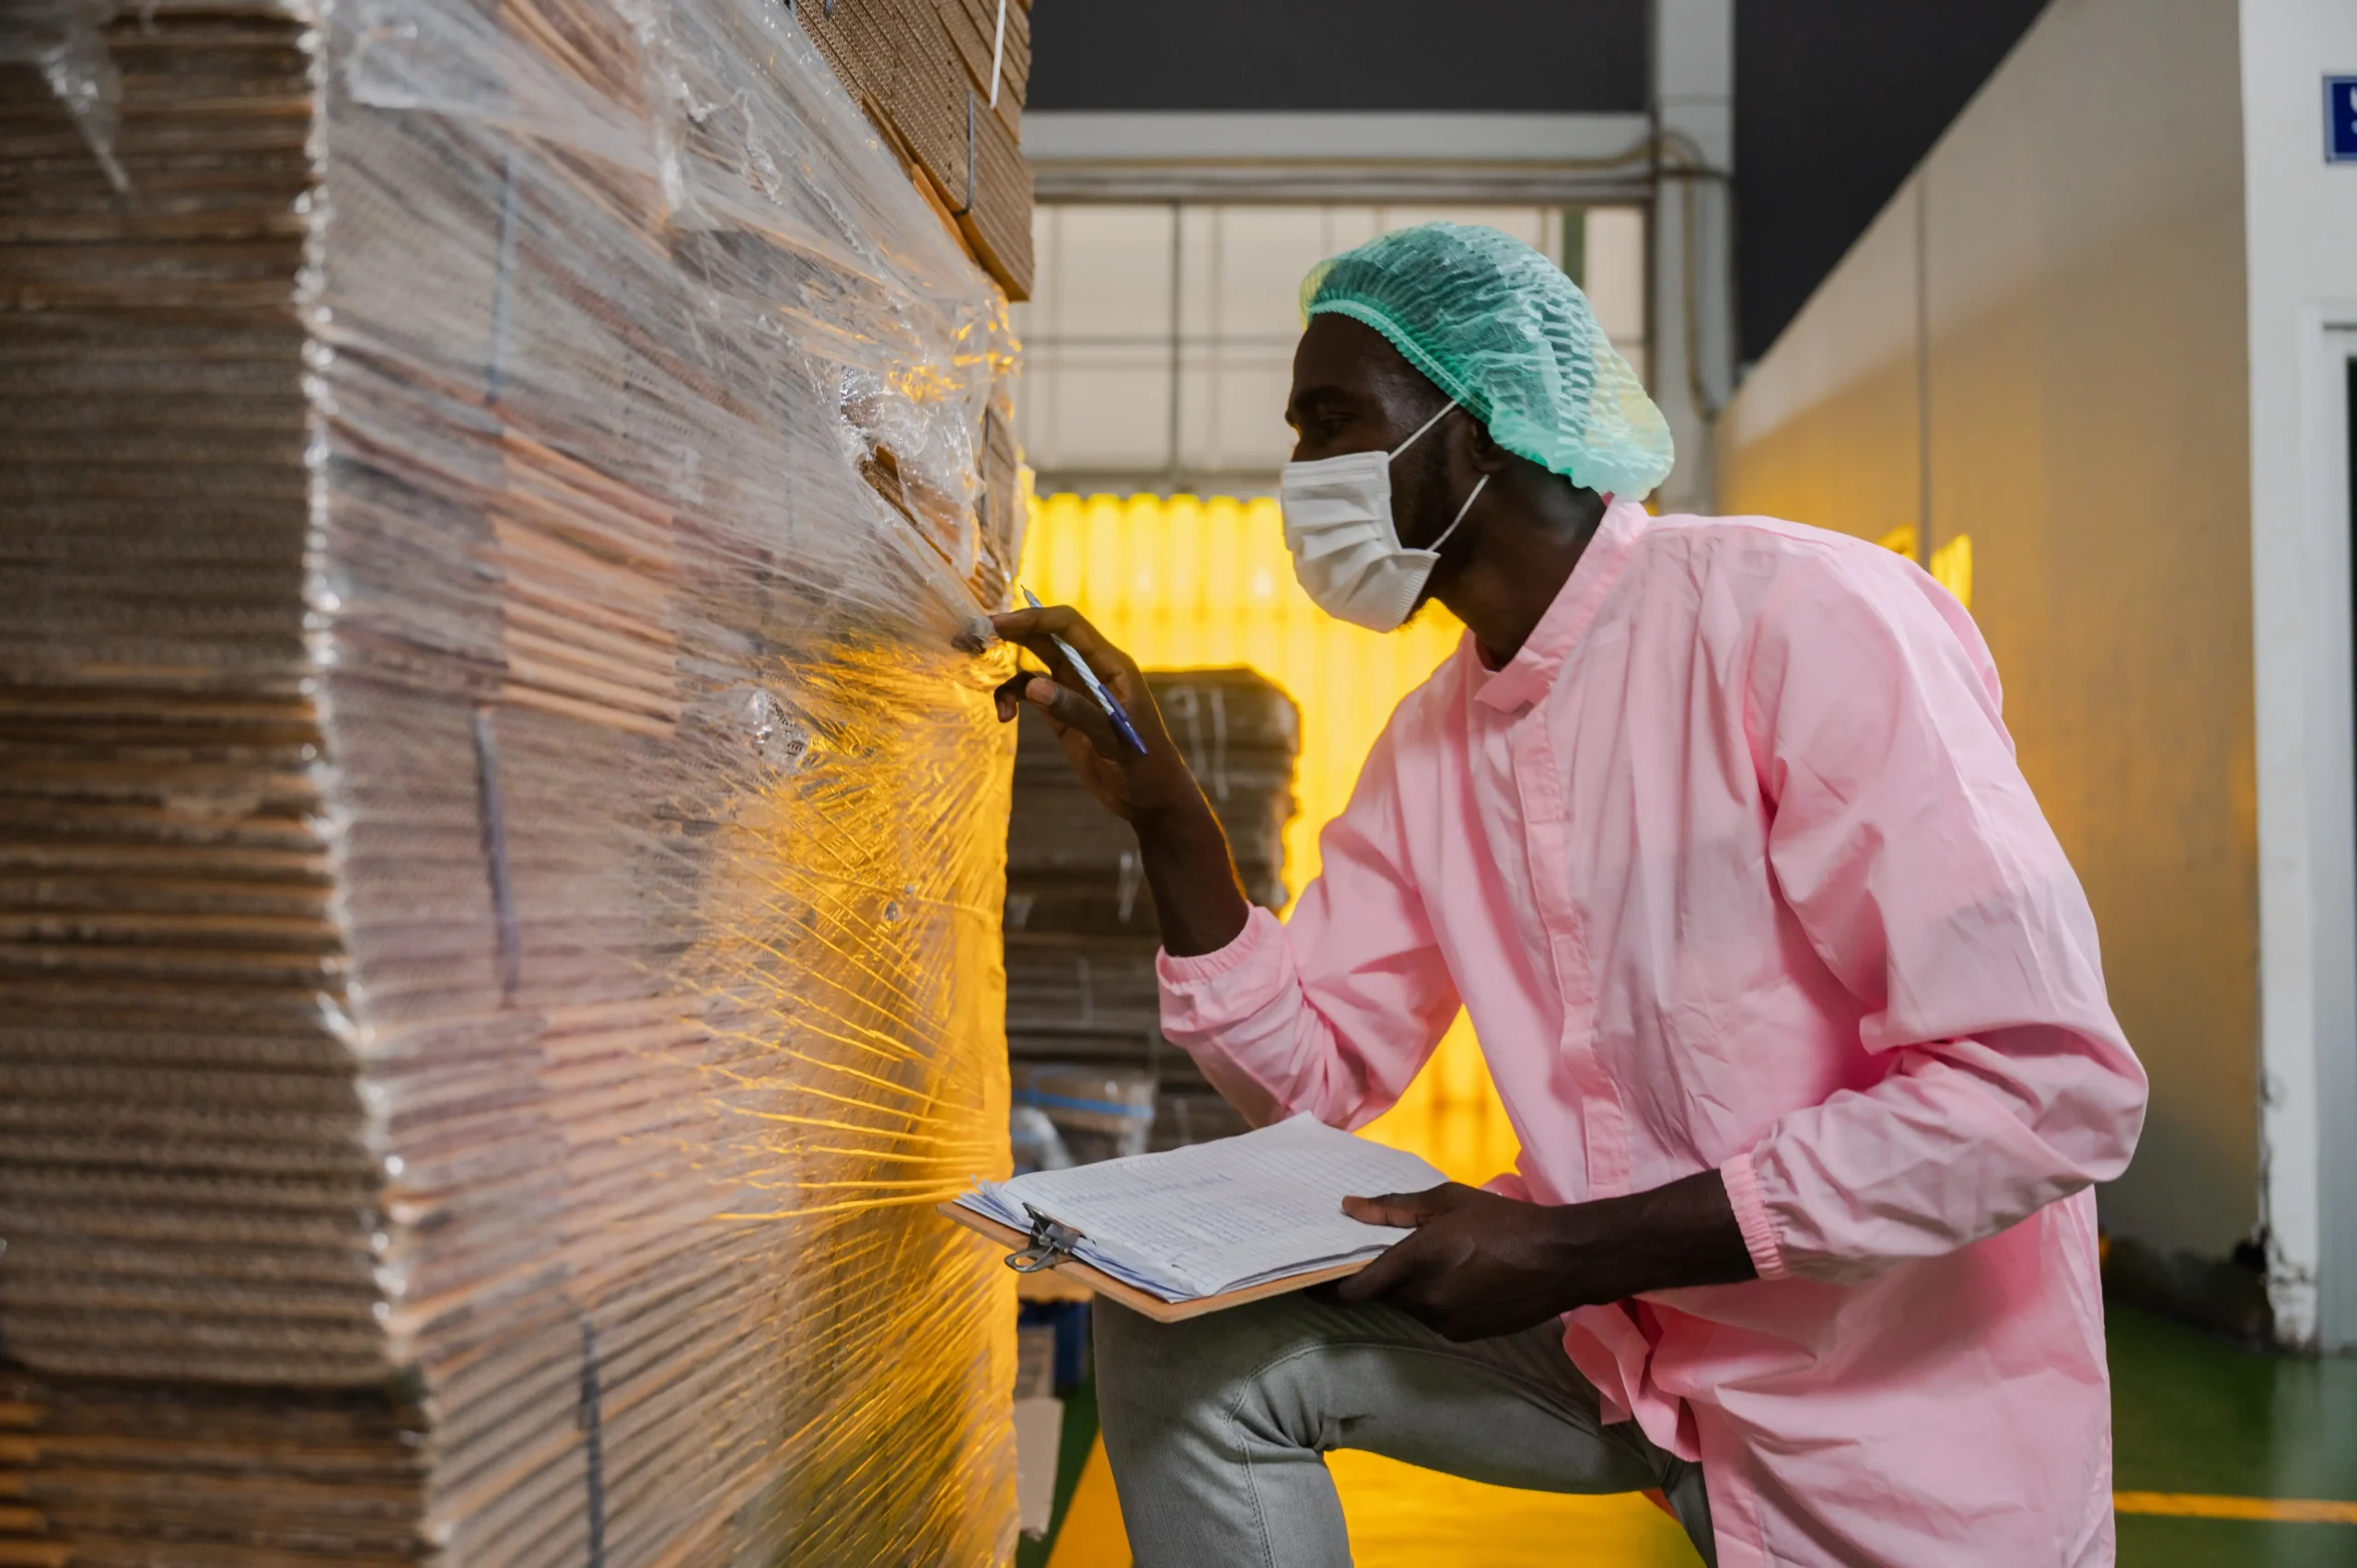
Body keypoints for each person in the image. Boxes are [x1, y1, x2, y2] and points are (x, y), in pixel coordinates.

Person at [990, 222, 2147, 1568]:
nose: (1298, 474)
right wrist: (1169, 818)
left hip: (1898, 1413)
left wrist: (1569, 1247)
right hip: (1637, 1347)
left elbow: (2043, 1087)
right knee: (1188, 1344)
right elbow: (1316, 1075)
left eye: (1331, 422)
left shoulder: (1794, 619)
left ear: (1476, 430)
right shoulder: (1433, 742)